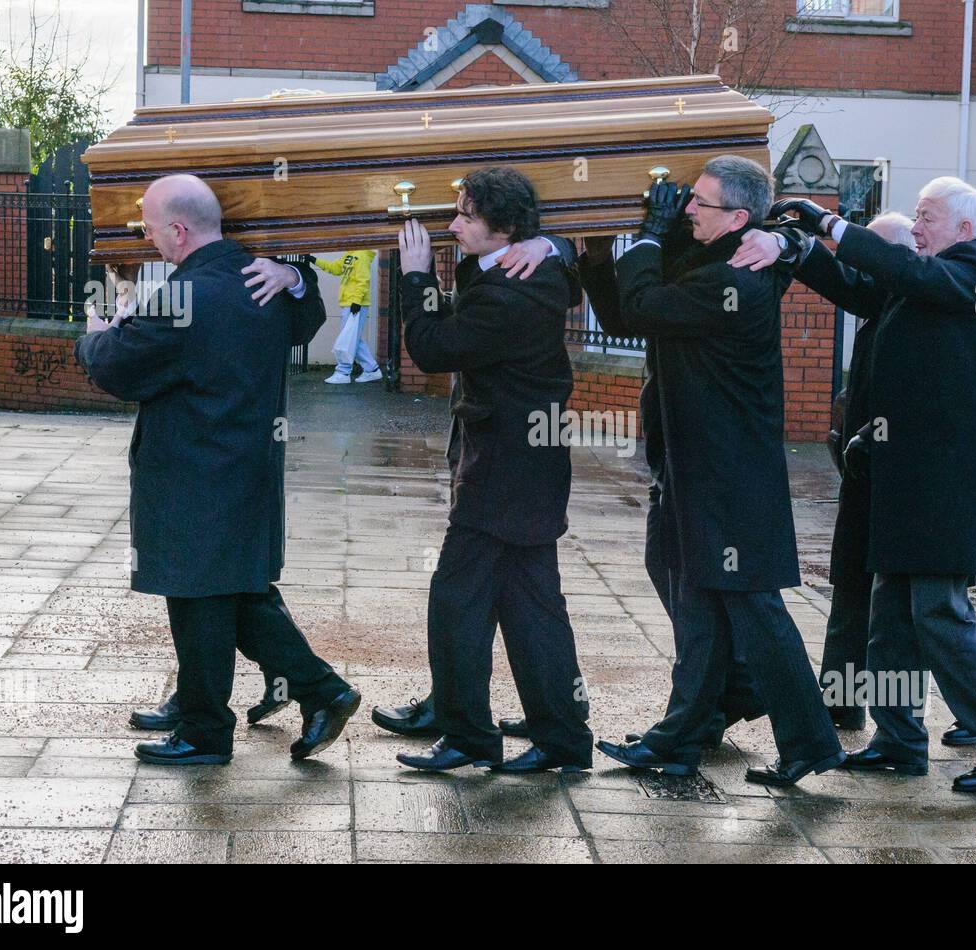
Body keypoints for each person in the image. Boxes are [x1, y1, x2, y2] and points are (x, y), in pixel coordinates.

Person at [742, 177, 976, 792]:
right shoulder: (927, 284)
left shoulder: (974, 272)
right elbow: (857, 290)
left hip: (944, 494)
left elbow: (908, 275)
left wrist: (833, 225)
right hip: (909, 490)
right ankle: (899, 740)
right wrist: (799, 247)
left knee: (939, 615)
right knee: (890, 621)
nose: (915, 228)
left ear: (964, 227)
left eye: (926, 217)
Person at [75, 173, 360, 765]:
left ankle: (210, 731)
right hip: (250, 467)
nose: (147, 239)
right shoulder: (262, 281)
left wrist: (96, 333)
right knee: (235, 594)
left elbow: (115, 371)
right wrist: (299, 276)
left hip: (193, 473)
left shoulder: (187, 299)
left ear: (179, 231)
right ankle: (304, 694)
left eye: (151, 230)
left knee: (200, 596)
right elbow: (306, 322)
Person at [582, 155, 845, 787]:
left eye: (700, 202)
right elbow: (626, 315)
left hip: (729, 476)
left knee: (755, 606)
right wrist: (596, 246)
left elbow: (646, 305)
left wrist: (647, 234)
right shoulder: (711, 264)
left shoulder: (737, 279)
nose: (687, 208)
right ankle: (682, 736)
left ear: (739, 217)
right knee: (696, 601)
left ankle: (809, 740)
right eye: (688, 199)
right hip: (697, 466)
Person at [389, 166, 593, 774]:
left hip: (503, 471)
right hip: (527, 467)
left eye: (466, 217)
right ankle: (562, 738)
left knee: (456, 600)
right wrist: (549, 242)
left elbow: (432, 347)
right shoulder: (529, 266)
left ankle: (469, 736)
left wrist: (416, 277)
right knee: (534, 607)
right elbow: (572, 275)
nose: (452, 225)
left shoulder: (509, 290)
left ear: (503, 228)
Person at [314, 249, 383, 384]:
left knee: (348, 338)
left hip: (355, 304)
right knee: (352, 338)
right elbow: (335, 268)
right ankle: (371, 369)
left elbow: (363, 280)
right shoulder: (351, 254)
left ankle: (344, 372)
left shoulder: (361, 255)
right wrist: (315, 261)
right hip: (351, 303)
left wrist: (356, 301)